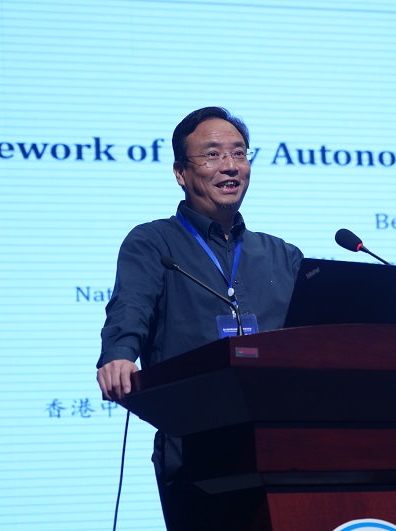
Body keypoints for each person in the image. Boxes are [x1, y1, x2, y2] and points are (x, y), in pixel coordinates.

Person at [96, 106, 303, 530]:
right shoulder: (154, 243)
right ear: (180, 172)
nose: (230, 165)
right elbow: (131, 305)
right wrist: (118, 354)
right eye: (212, 155)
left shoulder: (281, 255)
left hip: (286, 450)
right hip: (195, 452)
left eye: (239, 153)